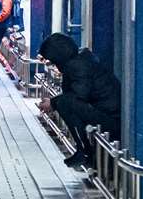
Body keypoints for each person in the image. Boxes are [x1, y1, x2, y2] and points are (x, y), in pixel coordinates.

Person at [36, 32, 122, 168]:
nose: (52, 65)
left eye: (52, 61)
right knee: (63, 102)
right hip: (111, 115)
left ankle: (84, 151)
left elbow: (77, 97)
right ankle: (84, 150)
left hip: (111, 120)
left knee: (64, 103)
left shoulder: (77, 66)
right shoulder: (82, 59)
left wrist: (53, 103)